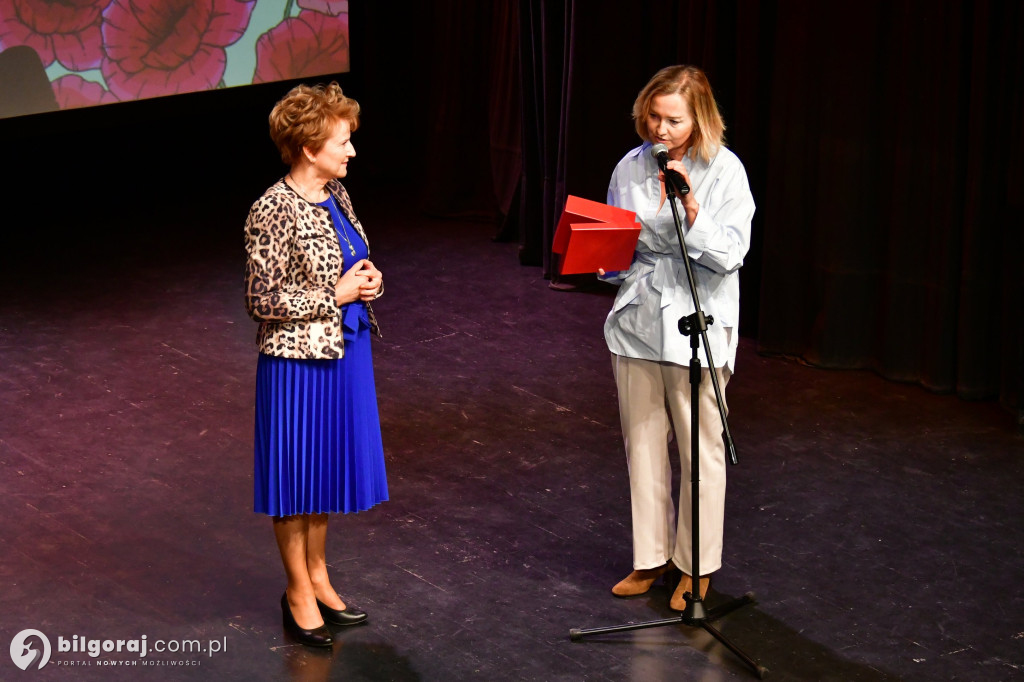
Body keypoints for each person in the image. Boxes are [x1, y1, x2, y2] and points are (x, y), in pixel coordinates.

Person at [599, 65, 755, 611]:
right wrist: (600, 259)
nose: (659, 129)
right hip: (639, 321)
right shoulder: (630, 165)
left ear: (700, 118)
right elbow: (622, 243)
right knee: (642, 445)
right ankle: (652, 556)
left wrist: (691, 207)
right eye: (653, 116)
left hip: (699, 319)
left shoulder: (726, 171)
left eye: (673, 120)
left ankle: (695, 566)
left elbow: (731, 254)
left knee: (699, 450)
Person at [244, 82, 388, 647]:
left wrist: (368, 280)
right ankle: (297, 590)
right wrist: (337, 295)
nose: (351, 151)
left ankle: (321, 578)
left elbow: (350, 260)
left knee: (324, 474)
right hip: (296, 366)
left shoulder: (336, 194)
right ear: (308, 147)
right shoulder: (271, 209)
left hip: (346, 352)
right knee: (295, 479)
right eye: (342, 141)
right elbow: (263, 299)